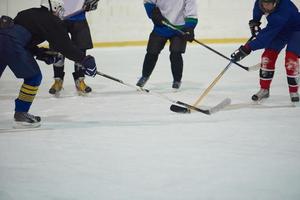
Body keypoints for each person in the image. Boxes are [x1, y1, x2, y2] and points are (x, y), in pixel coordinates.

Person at [0, 0, 97, 128]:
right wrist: (84, 60)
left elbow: (21, 38)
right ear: (54, 7)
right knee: (33, 77)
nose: (62, 12)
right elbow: (65, 46)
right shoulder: (52, 20)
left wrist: (41, 53)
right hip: (11, 44)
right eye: (61, 8)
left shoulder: (27, 13)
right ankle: (21, 114)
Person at [231, 0, 300, 102]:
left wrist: (247, 48)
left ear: (276, 2)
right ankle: (264, 90)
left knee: (291, 59)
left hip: (296, 30)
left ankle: (294, 91)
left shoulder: (284, 10)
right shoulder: (260, 3)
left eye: (268, 4)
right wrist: (255, 21)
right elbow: (257, 9)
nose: (265, 6)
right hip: (280, 30)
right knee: (267, 57)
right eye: (263, 3)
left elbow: (265, 38)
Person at [136, 0, 198, 89]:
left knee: (176, 53)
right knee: (152, 52)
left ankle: (177, 81)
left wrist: (189, 28)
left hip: (180, 28)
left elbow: (191, 12)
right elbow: (148, 2)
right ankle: (144, 76)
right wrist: (153, 13)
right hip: (161, 27)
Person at [49, 0, 99, 96]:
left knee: (81, 49)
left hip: (79, 17)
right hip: (59, 18)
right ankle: (58, 80)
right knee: (58, 50)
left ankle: (80, 81)